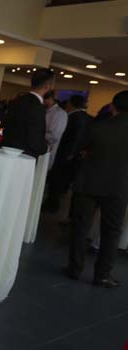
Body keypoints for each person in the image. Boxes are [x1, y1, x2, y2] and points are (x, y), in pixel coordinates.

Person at [65, 90, 128, 288]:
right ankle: (102, 275)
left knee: (81, 227)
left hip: (88, 182)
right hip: (118, 186)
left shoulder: (96, 125)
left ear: (113, 106)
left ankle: (74, 269)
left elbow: (78, 150)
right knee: (111, 232)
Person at [43, 94, 91, 213]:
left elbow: (76, 136)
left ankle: (52, 205)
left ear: (71, 103)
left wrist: (70, 152)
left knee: (57, 179)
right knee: (60, 180)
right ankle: (53, 203)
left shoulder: (75, 117)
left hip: (65, 153)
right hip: (73, 154)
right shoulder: (87, 117)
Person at [1, 69, 54, 157]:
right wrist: (46, 148)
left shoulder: (17, 100)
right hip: (24, 156)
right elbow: (34, 141)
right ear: (47, 86)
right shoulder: (37, 107)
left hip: (6, 151)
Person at [44, 91, 68, 170]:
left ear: (50, 99)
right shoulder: (45, 110)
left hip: (49, 150)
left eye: (44, 99)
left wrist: (38, 133)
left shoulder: (60, 113)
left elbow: (54, 136)